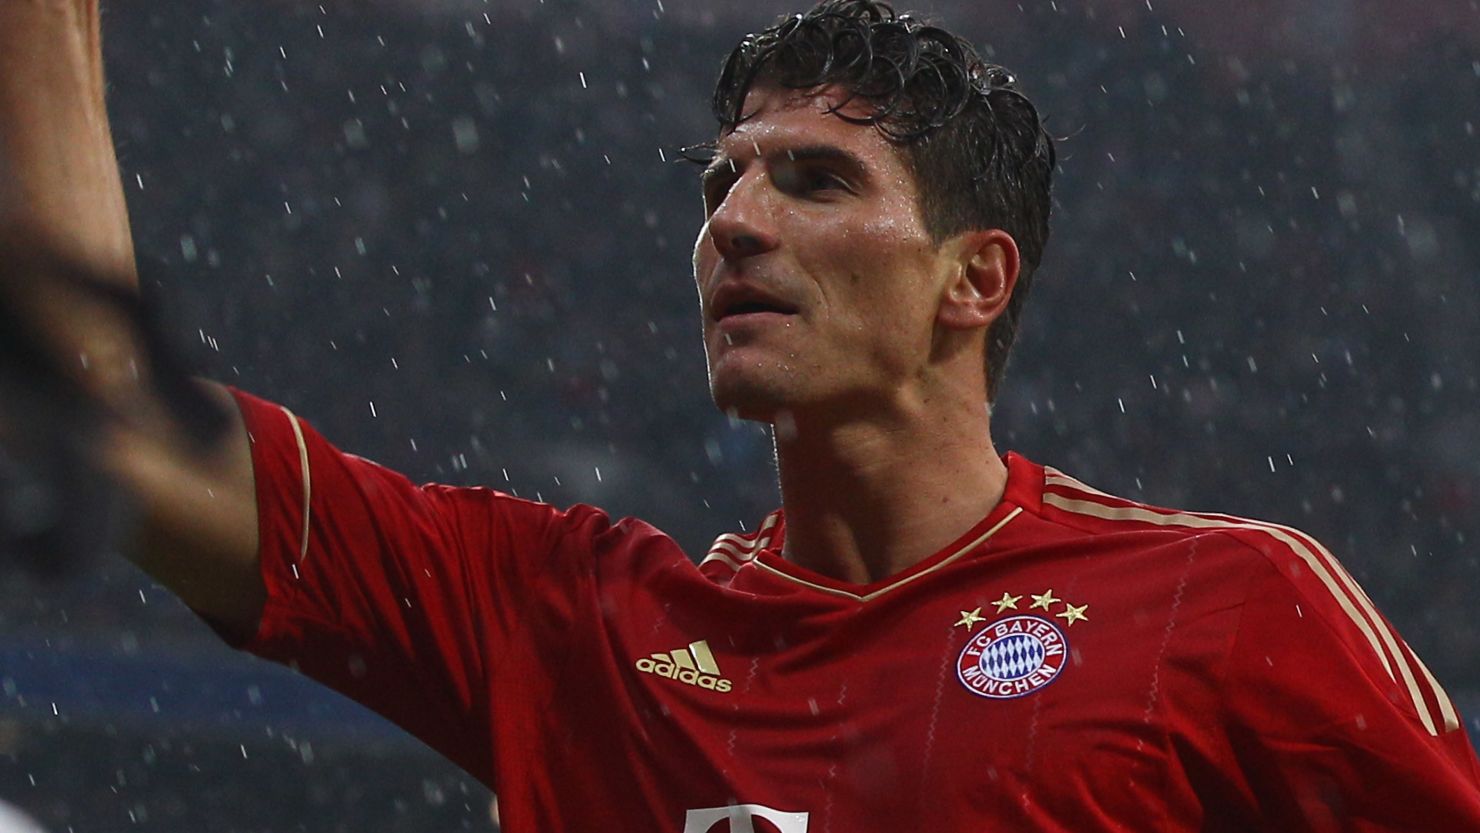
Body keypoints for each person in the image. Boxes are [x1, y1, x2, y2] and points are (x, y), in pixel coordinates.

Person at [2, 1, 1478, 831]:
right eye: (722, 186)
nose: (736, 223)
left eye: (814, 181)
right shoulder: (574, 621)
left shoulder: (1229, 607)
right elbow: (102, 414)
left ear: (976, 278)